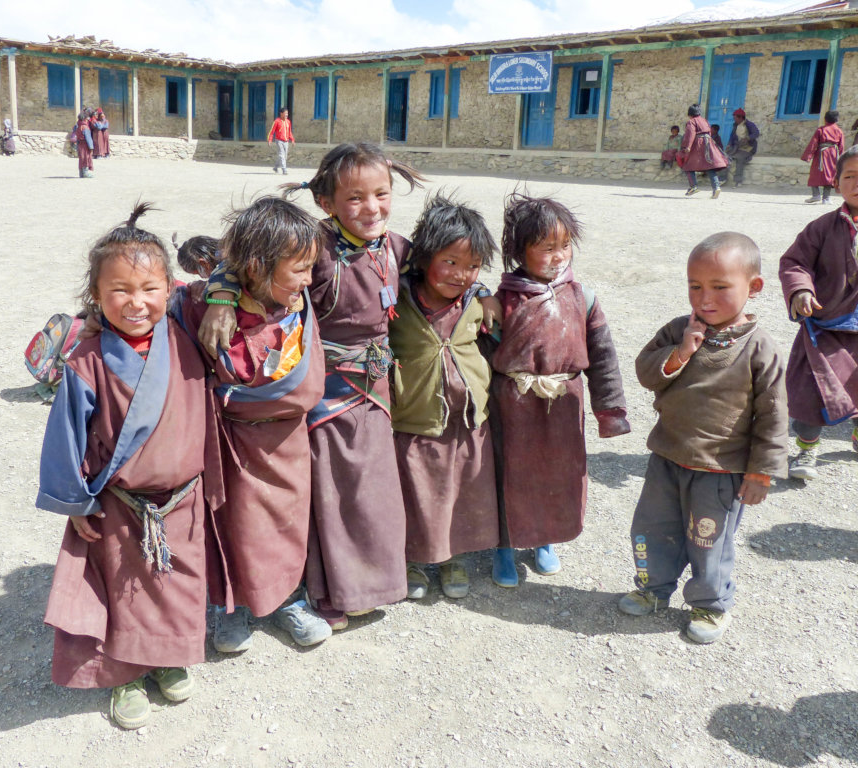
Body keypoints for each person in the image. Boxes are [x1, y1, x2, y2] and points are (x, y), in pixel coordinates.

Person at [197, 142, 429, 631]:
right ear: (327, 203)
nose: (371, 208)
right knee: (331, 495)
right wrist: (220, 296)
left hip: (378, 389)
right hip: (326, 395)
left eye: (381, 194)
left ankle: (374, 583)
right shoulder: (313, 248)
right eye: (356, 198)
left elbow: (445, 276)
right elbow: (240, 261)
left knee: (372, 491)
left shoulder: (395, 248)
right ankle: (330, 593)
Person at [36, 202, 210, 729]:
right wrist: (75, 503)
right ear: (96, 296)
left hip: (184, 499)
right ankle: (126, 675)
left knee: (177, 584)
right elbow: (66, 436)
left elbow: (230, 278)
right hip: (121, 503)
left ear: (170, 288)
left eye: (149, 289)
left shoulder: (184, 333)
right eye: (120, 291)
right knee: (123, 590)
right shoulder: (86, 361)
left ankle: (168, 658)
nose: (136, 303)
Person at [173, 196, 329, 651]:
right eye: (299, 268)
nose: (309, 278)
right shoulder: (204, 307)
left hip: (288, 441)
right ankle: (230, 606)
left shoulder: (297, 304)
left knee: (287, 521)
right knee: (232, 524)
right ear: (257, 268)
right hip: (230, 444)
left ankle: (287, 600)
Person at [619, 232, 787, 644]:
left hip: (720, 471)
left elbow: (773, 414)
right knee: (652, 529)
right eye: (695, 286)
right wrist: (680, 353)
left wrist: (760, 473)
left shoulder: (760, 347)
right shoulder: (679, 330)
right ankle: (653, 589)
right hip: (667, 458)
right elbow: (644, 371)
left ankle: (710, 605)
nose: (704, 298)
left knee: (708, 540)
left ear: (754, 287)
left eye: (720, 287)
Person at [490, 193, 630, 584]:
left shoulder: (582, 298)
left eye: (564, 245)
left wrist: (611, 411)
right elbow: (482, 358)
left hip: (564, 405)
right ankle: (503, 547)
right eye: (546, 247)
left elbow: (603, 356)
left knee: (556, 475)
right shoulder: (501, 300)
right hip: (512, 405)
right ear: (520, 251)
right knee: (508, 474)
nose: (558, 256)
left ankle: (544, 540)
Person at [391, 193, 500, 600]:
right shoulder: (398, 295)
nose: (461, 275)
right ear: (424, 258)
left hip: (465, 420)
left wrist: (484, 288)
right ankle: (416, 560)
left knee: (460, 491)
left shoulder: (476, 301)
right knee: (417, 493)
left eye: (472, 266)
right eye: (450, 262)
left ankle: (452, 558)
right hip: (415, 418)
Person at [779, 145, 858, 480]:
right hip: (823, 329)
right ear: (837, 183)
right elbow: (795, 262)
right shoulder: (822, 227)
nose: (857, 183)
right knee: (811, 396)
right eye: (850, 176)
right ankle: (807, 451)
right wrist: (801, 290)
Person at [679, 104, 728, 199]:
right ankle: (716, 187)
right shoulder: (704, 120)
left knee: (688, 165)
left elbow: (690, 134)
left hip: (698, 144)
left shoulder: (691, 121)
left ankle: (693, 187)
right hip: (708, 143)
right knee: (709, 166)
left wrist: (688, 146)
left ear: (690, 113)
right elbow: (709, 133)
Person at [801, 110, 845, 204]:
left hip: (821, 154)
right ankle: (826, 198)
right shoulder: (839, 131)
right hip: (833, 154)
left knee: (815, 173)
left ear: (825, 119)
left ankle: (816, 195)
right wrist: (840, 157)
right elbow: (841, 146)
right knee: (830, 174)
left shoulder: (821, 130)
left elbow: (813, 143)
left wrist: (808, 156)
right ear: (836, 120)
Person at [725, 108, 759, 187]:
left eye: (735, 118)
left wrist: (748, 138)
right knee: (724, 156)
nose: (734, 120)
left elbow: (756, 133)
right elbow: (732, 136)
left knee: (740, 158)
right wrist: (729, 144)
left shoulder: (749, 125)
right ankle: (722, 178)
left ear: (740, 117)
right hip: (737, 147)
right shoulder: (735, 125)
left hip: (748, 148)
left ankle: (738, 181)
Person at [267, 107, 295, 175]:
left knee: (284, 156)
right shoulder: (277, 121)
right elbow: (272, 131)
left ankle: (276, 167)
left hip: (286, 141)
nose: (286, 115)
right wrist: (270, 140)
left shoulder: (288, 122)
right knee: (281, 155)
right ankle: (284, 170)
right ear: (281, 113)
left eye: (287, 113)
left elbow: (289, 132)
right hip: (279, 141)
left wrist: (292, 139)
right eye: (285, 113)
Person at [76, 109, 94, 178]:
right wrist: (91, 147)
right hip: (85, 145)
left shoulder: (78, 126)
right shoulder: (85, 127)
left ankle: (81, 173)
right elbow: (88, 138)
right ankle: (85, 173)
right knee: (86, 158)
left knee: (81, 158)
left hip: (80, 145)